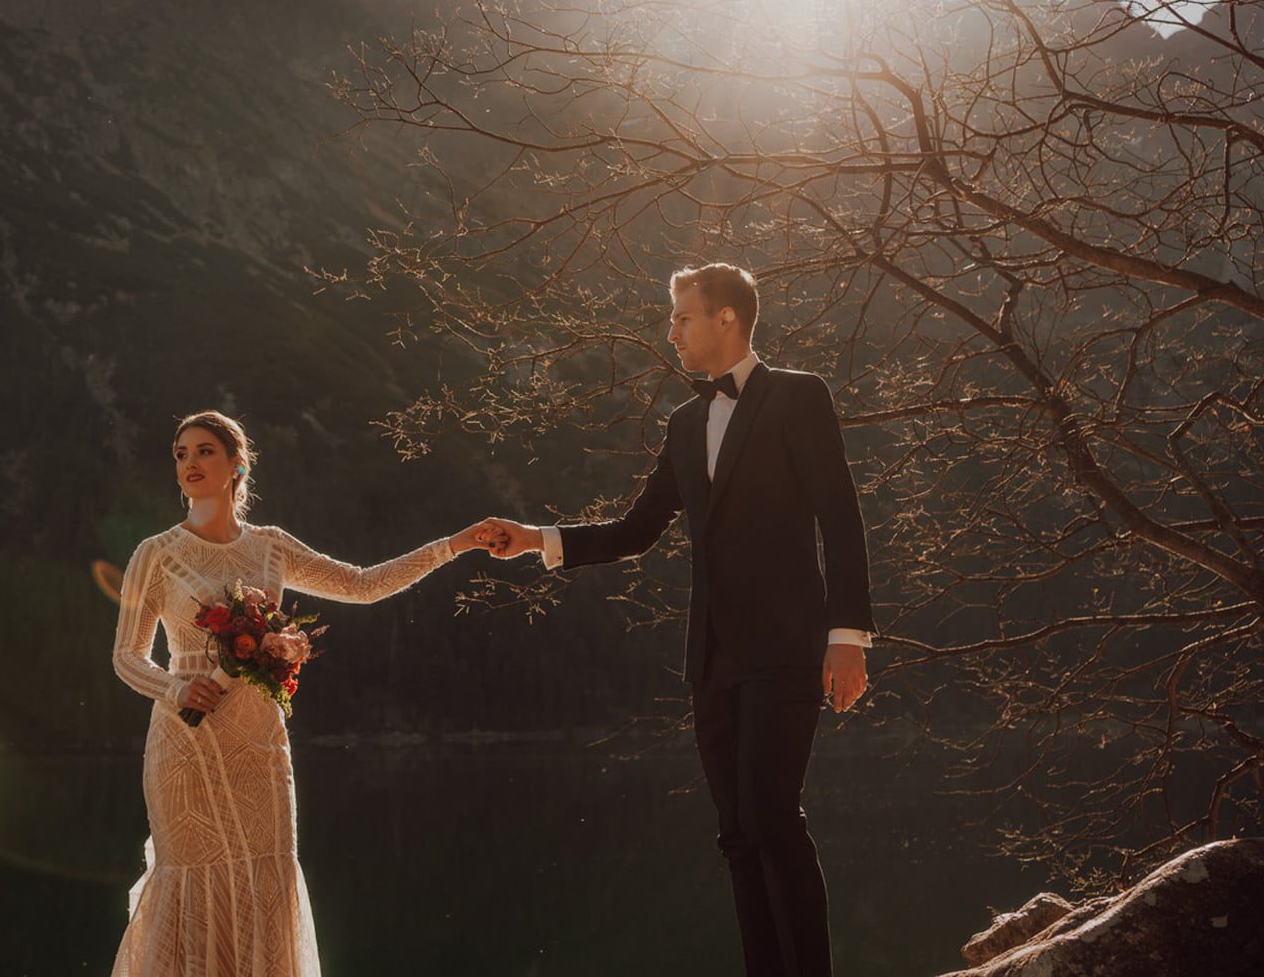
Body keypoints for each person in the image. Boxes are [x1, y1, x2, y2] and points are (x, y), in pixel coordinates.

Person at [481, 263, 875, 977]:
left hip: (787, 649)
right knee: (736, 835)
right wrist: (537, 537)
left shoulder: (798, 396)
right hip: (712, 659)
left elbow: (841, 521)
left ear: (727, 318)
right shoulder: (684, 422)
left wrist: (846, 639)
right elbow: (637, 529)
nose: (672, 333)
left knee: (772, 818)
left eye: (682, 318)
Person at [109, 409, 494, 977]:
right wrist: (174, 687)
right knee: (190, 880)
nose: (189, 463)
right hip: (186, 748)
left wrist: (454, 546)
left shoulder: (271, 547)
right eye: (181, 454)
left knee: (267, 875)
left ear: (237, 463)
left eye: (204, 451)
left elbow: (362, 585)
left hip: (260, 743)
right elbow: (125, 657)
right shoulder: (156, 553)